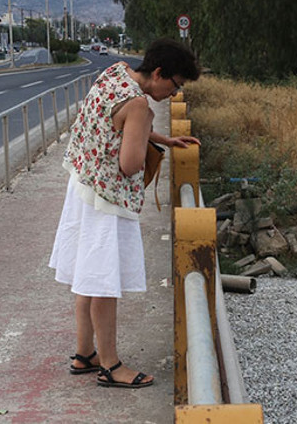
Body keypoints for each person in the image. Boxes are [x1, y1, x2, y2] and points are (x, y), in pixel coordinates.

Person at [48, 38, 200, 389]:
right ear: (159, 73)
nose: (174, 94)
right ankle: (111, 365)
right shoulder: (140, 107)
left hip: (83, 188)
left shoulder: (114, 74)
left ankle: (85, 353)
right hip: (107, 201)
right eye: (175, 85)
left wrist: (162, 138)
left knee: (86, 277)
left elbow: (115, 123)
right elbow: (130, 164)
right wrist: (147, 135)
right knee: (103, 283)